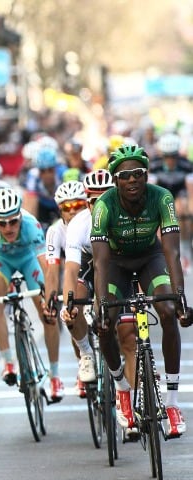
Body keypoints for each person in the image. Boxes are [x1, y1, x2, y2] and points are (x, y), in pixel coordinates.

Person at [91, 144, 193, 438]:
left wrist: (181, 298)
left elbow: (172, 252)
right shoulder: (104, 206)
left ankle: (172, 403)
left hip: (151, 259)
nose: (132, 180)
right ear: (115, 181)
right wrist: (101, 307)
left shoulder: (162, 198)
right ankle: (123, 388)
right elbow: (99, 262)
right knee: (106, 322)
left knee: (168, 311)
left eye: (138, 174)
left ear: (146, 175)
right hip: (116, 263)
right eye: (125, 176)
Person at [0, 188, 63, 401]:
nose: (8, 228)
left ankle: (55, 376)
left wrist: (49, 297)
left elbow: (47, 267)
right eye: (2, 223)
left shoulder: (32, 226)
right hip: (2, 262)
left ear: (20, 216)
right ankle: (8, 362)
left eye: (13, 222)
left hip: (28, 259)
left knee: (48, 315)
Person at [60, 170, 117, 398]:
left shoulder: (122, 218)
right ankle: (86, 353)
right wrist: (68, 304)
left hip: (116, 264)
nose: (101, 205)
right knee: (74, 305)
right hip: (87, 263)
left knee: (125, 326)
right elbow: (71, 269)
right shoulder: (78, 224)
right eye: (95, 200)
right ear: (87, 202)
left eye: (107, 198)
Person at [41, 181, 90, 392]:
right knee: (71, 309)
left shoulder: (92, 222)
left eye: (78, 205)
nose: (73, 211)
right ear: (60, 210)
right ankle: (84, 358)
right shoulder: (55, 231)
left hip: (98, 268)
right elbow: (52, 270)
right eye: (67, 208)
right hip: (78, 271)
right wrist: (50, 298)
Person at [22, 147, 63, 231]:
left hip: (60, 204)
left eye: (50, 170)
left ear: (55, 168)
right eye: (43, 171)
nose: (47, 174)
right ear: (38, 170)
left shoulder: (63, 173)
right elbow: (30, 202)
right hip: (43, 205)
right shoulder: (33, 175)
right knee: (28, 197)